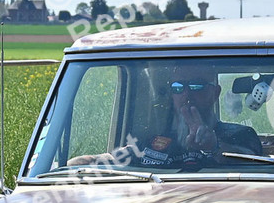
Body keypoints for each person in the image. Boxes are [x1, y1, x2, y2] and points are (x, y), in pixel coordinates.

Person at [68, 66, 262, 167]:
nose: (186, 93)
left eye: (196, 86)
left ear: (215, 93)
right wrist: (72, 166)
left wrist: (213, 147)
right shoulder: (152, 142)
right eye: (178, 87)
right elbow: (110, 159)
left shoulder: (240, 135)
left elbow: (256, 165)